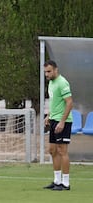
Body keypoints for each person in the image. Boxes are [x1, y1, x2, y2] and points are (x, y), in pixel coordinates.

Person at [43, 60, 73, 191]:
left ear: (56, 70)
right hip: (54, 120)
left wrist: (62, 121)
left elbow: (69, 103)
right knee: (52, 150)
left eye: (49, 71)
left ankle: (65, 183)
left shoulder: (62, 82)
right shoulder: (51, 83)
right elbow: (55, 102)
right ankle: (57, 181)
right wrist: (49, 116)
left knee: (62, 151)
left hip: (63, 121)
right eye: (45, 72)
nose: (47, 74)